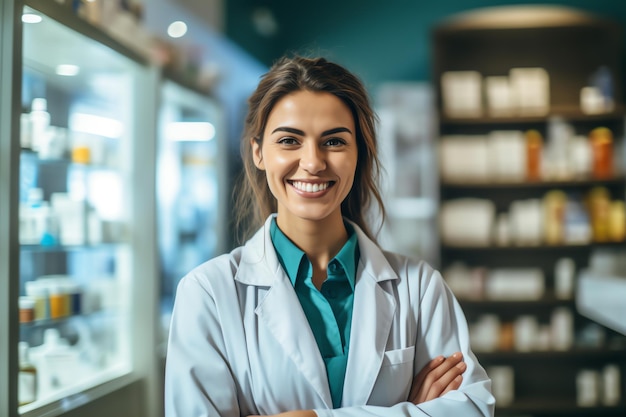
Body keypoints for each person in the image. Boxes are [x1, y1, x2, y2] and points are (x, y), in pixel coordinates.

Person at [164, 55, 495, 417]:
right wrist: (407, 411)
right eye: (290, 140)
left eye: (334, 142)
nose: (313, 162)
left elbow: (472, 410)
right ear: (259, 153)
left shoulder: (419, 288)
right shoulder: (208, 294)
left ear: (359, 153)